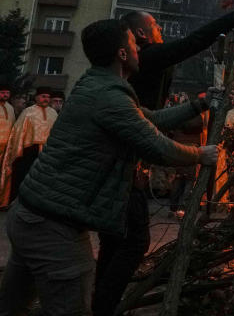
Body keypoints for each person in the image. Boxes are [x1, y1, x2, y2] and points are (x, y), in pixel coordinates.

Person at [0, 19, 219, 316]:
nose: (140, 49)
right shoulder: (109, 97)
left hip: (30, 215)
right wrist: (200, 154)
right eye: (133, 43)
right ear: (122, 54)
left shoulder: (98, 85)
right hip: (53, 228)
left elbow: (150, 120)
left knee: (12, 307)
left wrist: (199, 105)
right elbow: (156, 145)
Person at [91, 0, 234, 316]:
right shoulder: (146, 58)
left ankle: (100, 301)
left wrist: (199, 103)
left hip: (126, 152)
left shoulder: (137, 63)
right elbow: (189, 45)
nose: (160, 30)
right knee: (133, 240)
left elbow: (153, 115)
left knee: (115, 239)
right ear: (141, 33)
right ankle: (103, 307)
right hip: (124, 158)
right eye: (155, 26)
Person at [0, 87, 59, 207]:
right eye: (43, 96)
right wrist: (17, 150)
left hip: (46, 152)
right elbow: (18, 131)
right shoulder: (28, 112)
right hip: (28, 150)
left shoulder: (53, 113)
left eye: (48, 97)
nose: (45, 99)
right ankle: (15, 202)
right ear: (36, 97)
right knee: (21, 176)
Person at [0, 84, 15, 165]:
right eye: (2, 92)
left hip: (5, 144)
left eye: (7, 93)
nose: (5, 95)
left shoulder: (10, 107)